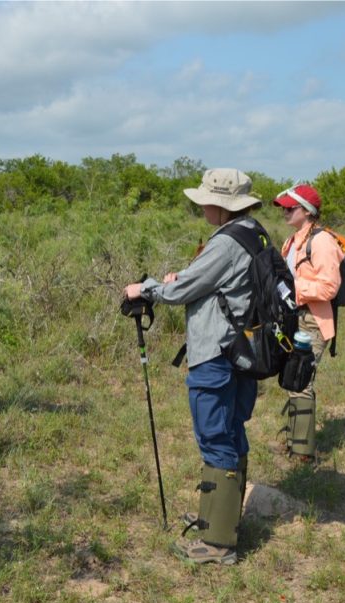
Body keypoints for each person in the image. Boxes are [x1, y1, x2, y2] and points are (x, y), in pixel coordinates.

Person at [123, 168, 266, 566]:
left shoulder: (226, 242)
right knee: (231, 430)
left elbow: (184, 289)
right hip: (241, 349)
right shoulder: (254, 231)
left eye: (206, 199)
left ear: (221, 204)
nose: (201, 205)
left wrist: (147, 288)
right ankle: (221, 520)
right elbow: (209, 282)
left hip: (216, 352)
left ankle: (218, 544)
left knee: (215, 434)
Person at [272, 184, 344, 463]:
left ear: (308, 211)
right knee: (293, 378)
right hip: (295, 318)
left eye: (291, 208)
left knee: (301, 380)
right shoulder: (292, 241)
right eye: (284, 208)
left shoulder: (322, 241)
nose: (285, 212)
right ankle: (295, 440)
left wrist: (294, 289)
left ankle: (302, 453)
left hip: (313, 320)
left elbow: (329, 287)